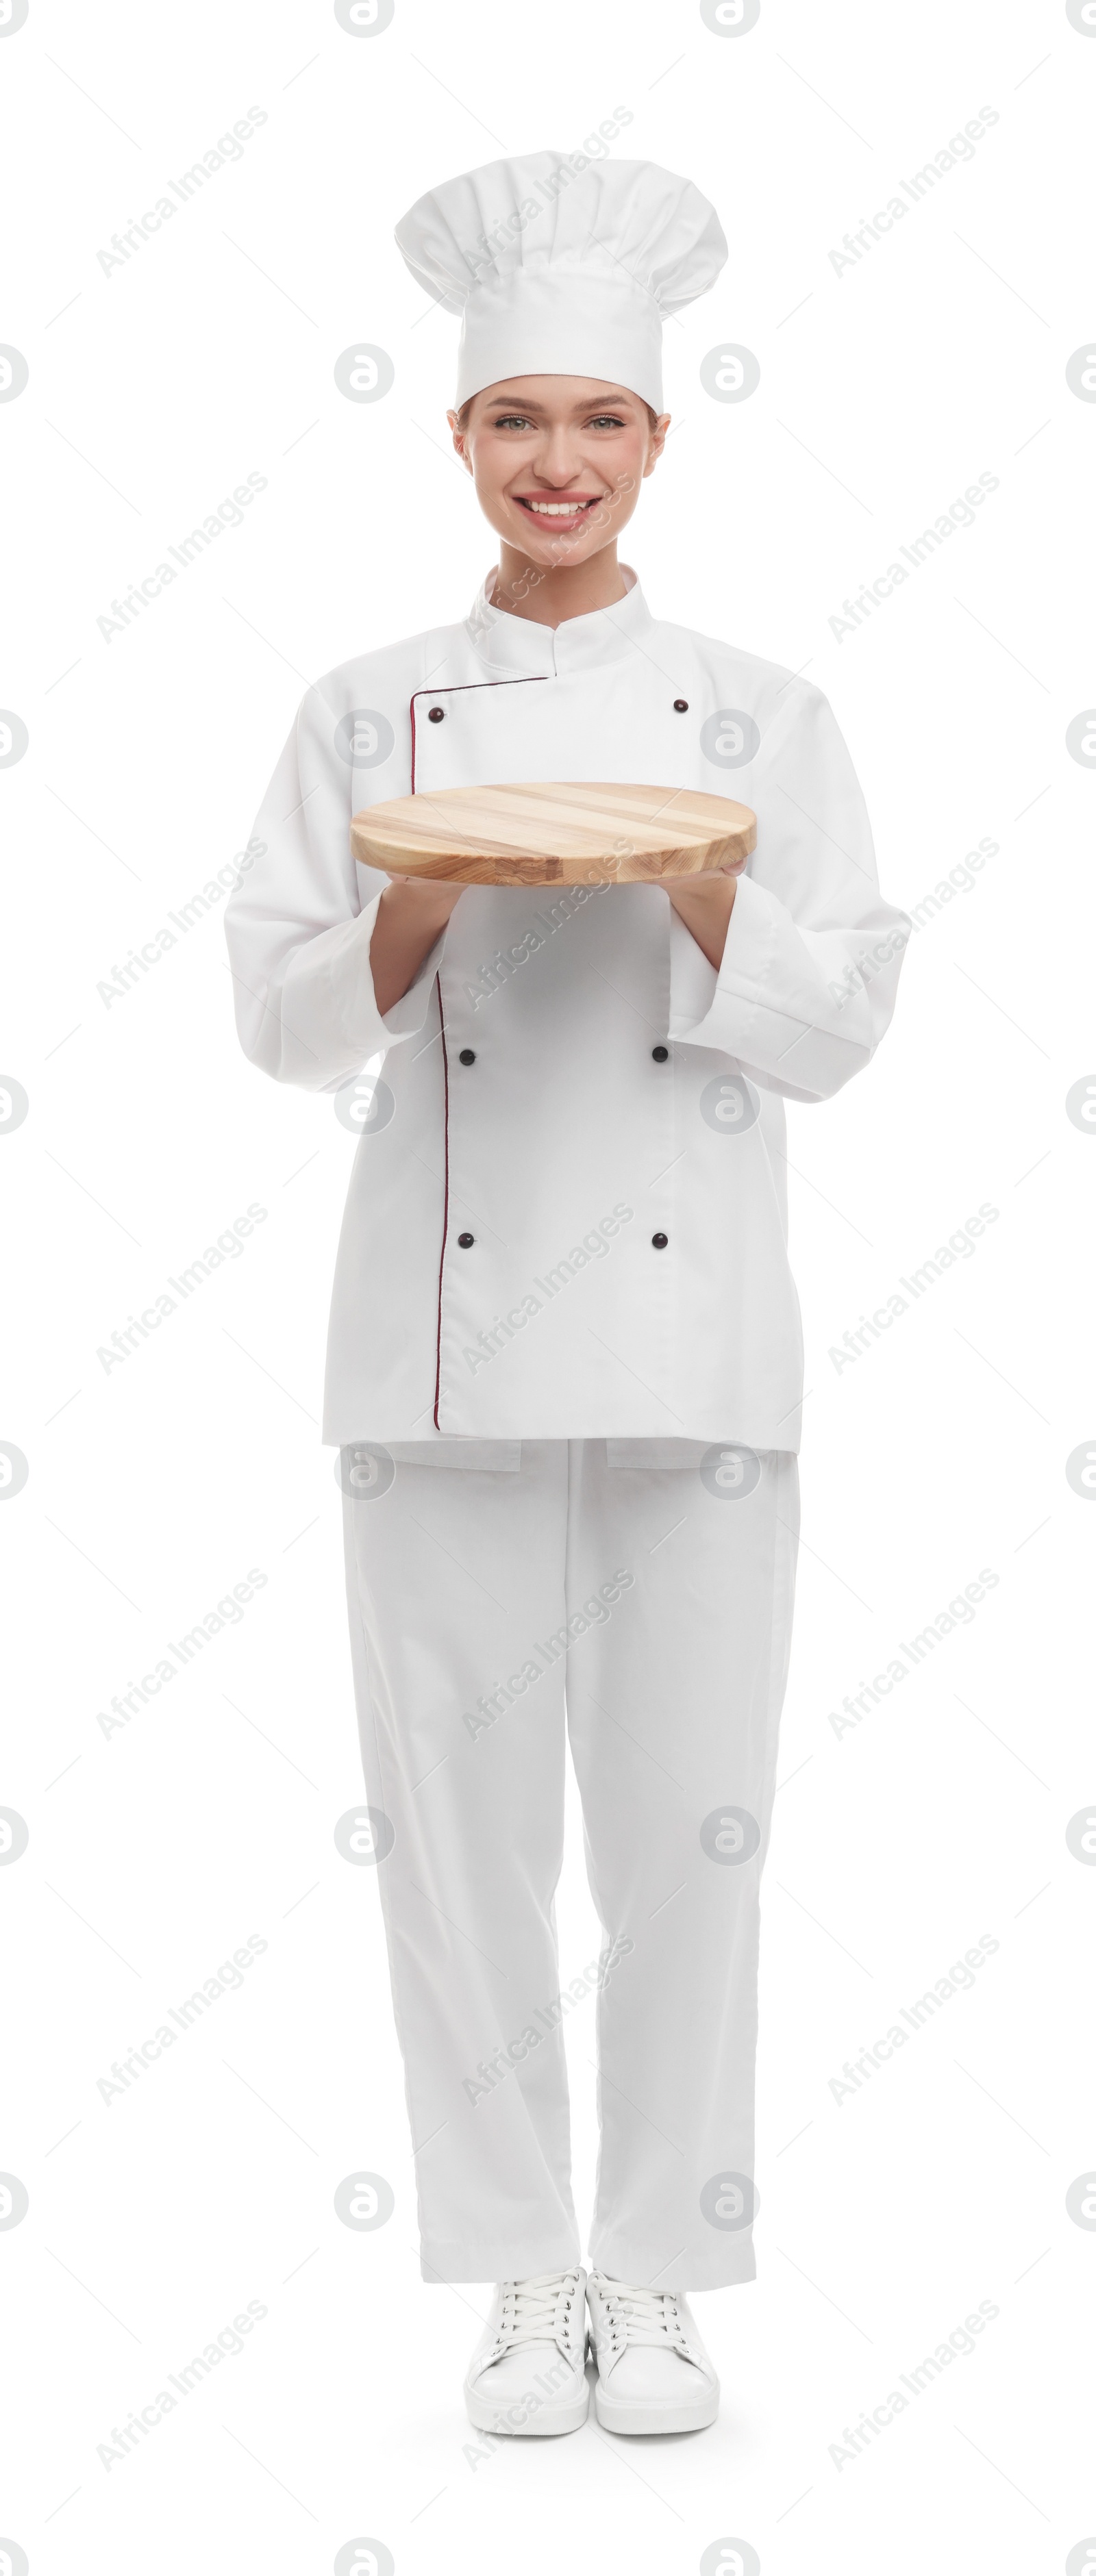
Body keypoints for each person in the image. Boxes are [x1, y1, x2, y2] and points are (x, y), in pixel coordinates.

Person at [225, 150, 909, 2441]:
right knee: (460, 1834)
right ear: (455, 445)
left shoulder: (760, 715)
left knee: (694, 1821)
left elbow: (841, 1025)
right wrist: (413, 913)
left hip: (699, 1335)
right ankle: (523, 2272)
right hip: (429, 1361)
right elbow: (278, 1023)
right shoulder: (362, 711)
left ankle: (670, 2269)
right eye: (514, 420)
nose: (556, 462)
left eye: (595, 423)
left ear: (656, 445)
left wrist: (702, 897)